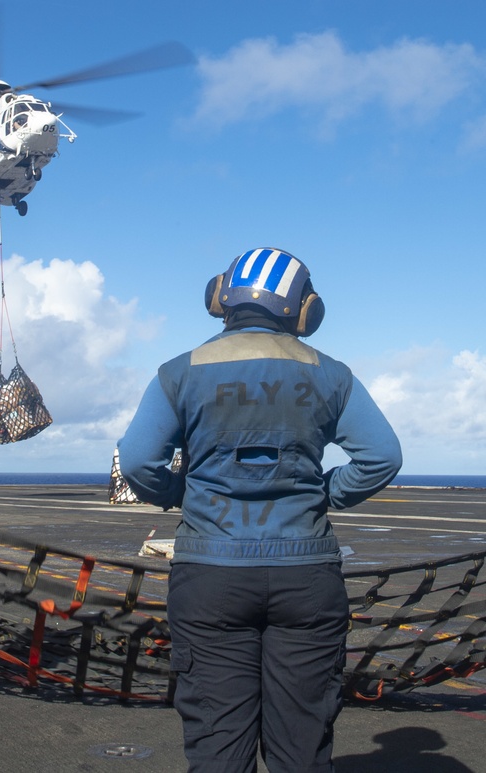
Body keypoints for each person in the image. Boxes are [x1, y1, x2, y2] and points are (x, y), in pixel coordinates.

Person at [118, 248, 402, 772]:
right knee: (303, 746)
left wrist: (181, 493)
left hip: (210, 577)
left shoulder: (179, 372)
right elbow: (382, 457)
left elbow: (137, 461)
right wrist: (326, 494)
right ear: (303, 311)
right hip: (306, 576)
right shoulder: (331, 374)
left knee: (217, 745)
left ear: (221, 297)